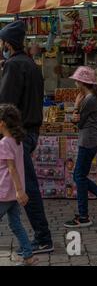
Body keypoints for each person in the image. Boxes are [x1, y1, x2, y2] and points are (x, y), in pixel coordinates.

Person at [0, 20, 53, 254]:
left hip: (17, 134)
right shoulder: (30, 65)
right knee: (19, 182)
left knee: (26, 186)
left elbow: (5, 105)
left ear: (7, 44)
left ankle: (43, 237)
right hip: (31, 132)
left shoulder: (13, 66)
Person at [64, 66, 97, 228]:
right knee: (80, 176)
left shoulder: (88, 100)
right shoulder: (90, 98)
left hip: (87, 141)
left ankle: (84, 216)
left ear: (82, 82)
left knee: (79, 176)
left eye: (76, 80)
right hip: (89, 140)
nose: (74, 82)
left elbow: (78, 122)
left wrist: (75, 106)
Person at [0, 104, 38, 266]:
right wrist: (19, 191)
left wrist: (19, 191)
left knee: (15, 224)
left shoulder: (4, 143)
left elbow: (11, 168)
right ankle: (28, 256)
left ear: (2, 123)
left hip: (5, 192)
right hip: (14, 193)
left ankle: (28, 255)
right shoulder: (17, 142)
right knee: (15, 224)